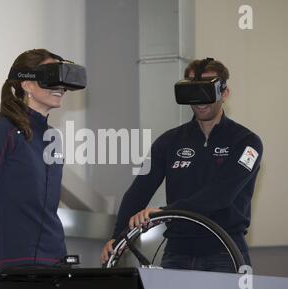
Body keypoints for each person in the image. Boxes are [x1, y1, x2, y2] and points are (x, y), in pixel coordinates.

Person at [100, 58, 263, 273]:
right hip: (177, 254)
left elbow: (221, 195)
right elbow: (139, 190)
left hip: (225, 252)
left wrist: (166, 211)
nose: (200, 99)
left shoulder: (246, 142)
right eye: (193, 90)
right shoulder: (168, 142)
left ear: (224, 93)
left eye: (207, 89)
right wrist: (117, 238)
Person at [0, 49, 74, 269]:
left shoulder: (54, 138)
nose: (60, 87)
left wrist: (62, 260)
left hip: (56, 264)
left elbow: (47, 208)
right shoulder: (0, 133)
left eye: (61, 79)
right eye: (51, 77)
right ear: (27, 85)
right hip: (17, 265)